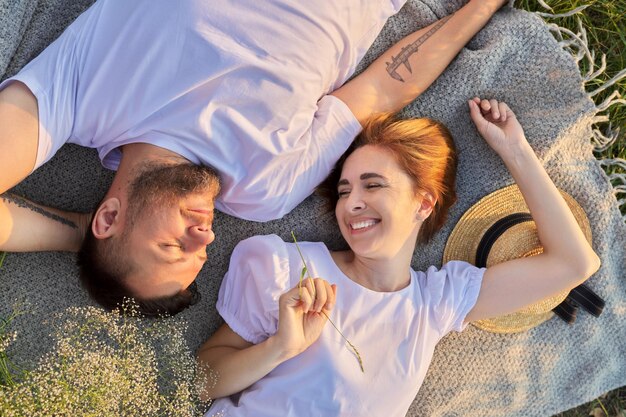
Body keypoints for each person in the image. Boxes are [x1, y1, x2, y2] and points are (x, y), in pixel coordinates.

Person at [0, 0, 507, 314]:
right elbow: (377, 92)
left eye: (173, 247)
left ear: (110, 216)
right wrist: (483, 6)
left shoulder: (81, 99)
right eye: (201, 255)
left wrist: (86, 233)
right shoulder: (264, 189)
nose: (206, 236)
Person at [196, 98, 601, 416]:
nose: (351, 203)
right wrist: (281, 347)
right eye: (343, 190)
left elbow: (573, 263)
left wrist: (515, 150)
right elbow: (198, 380)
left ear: (423, 203)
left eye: (372, 186)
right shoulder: (287, 268)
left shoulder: (434, 304)